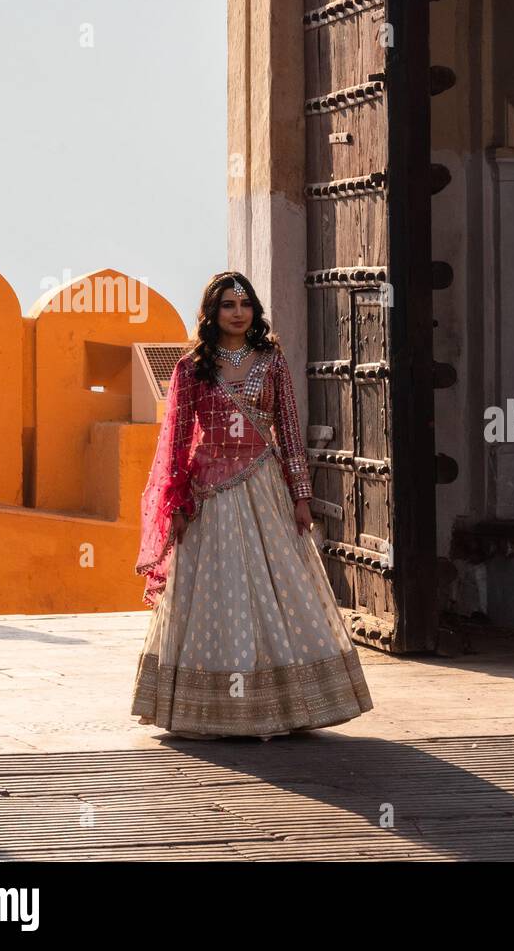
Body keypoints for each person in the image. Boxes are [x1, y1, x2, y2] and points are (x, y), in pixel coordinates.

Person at [131, 271, 373, 740]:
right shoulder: (192, 368)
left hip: (265, 485)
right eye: (228, 305)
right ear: (212, 312)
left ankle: (286, 704)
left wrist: (301, 495)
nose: (238, 313)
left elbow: (288, 428)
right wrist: (176, 504)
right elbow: (178, 443)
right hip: (209, 494)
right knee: (217, 590)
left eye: (245, 304)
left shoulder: (271, 361)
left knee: (277, 586)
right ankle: (212, 710)